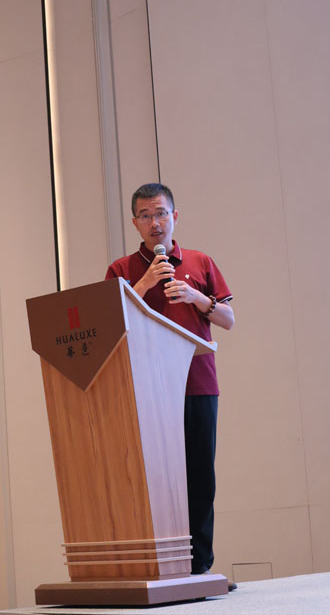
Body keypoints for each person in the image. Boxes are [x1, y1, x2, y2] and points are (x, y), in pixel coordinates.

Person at [105, 182, 236, 589]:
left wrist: (197, 297)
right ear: (135, 223)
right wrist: (144, 284)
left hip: (197, 382)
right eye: (145, 216)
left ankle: (200, 567)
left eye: (161, 213)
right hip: (145, 388)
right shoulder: (122, 270)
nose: (155, 223)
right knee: (153, 478)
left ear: (175, 216)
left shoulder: (200, 261)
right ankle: (159, 567)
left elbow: (229, 320)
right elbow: (107, 323)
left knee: (199, 476)